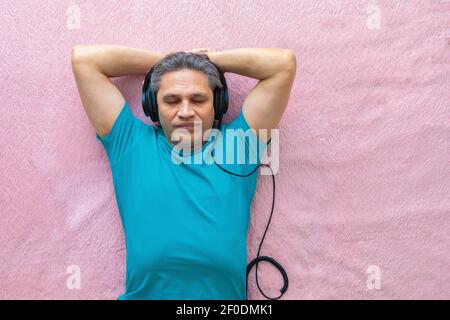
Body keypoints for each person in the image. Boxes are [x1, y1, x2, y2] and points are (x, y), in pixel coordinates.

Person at [71, 45, 296, 300]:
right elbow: (84, 60)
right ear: (152, 105)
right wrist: (170, 62)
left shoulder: (239, 145)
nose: (186, 111)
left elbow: (283, 65)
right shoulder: (130, 143)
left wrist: (207, 60)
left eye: (198, 99)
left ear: (218, 104)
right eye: (171, 100)